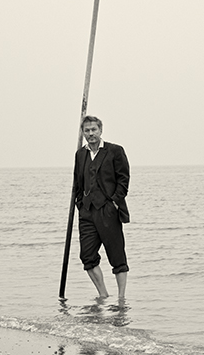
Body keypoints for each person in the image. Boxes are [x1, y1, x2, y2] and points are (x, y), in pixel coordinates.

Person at [72, 115, 130, 298]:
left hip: (108, 211)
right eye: (87, 130)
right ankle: (103, 296)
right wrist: (80, 204)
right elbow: (78, 183)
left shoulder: (115, 151)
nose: (91, 134)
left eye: (94, 130)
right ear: (83, 133)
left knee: (117, 256)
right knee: (87, 257)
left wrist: (114, 203)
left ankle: (121, 299)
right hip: (87, 212)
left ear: (100, 130)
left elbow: (123, 180)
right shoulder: (80, 155)